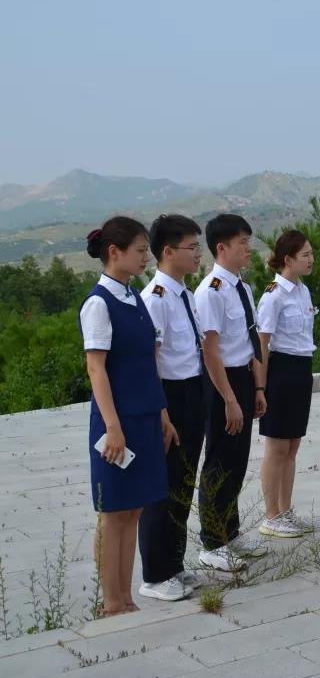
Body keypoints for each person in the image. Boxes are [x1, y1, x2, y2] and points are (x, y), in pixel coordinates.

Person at [79, 217, 176, 616]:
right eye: (139, 251)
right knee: (113, 511)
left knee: (134, 508)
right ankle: (111, 600)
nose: (145, 258)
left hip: (145, 415)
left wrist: (162, 411)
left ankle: (126, 596)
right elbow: (96, 368)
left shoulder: (134, 297)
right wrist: (113, 427)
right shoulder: (99, 303)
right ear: (113, 252)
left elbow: (148, 362)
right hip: (117, 422)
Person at [193, 213, 268, 571]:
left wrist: (257, 387)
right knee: (219, 461)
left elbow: (249, 341)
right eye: (242, 243)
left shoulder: (243, 288)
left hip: (243, 378)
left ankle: (230, 532)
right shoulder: (210, 292)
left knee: (237, 460)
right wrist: (229, 399)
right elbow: (211, 350)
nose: (248, 249)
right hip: (221, 383)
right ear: (222, 248)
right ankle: (212, 542)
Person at [137, 214, 205, 601]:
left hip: (193, 391)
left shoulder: (185, 294)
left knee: (183, 482)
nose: (198, 254)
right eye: (191, 247)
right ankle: (154, 574)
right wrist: (162, 412)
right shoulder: (156, 299)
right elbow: (152, 362)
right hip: (170, 398)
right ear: (167, 251)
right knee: (162, 487)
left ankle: (174, 565)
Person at [256, 230, 317, 538]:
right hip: (280, 371)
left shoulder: (303, 291)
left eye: (311, 254)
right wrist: (260, 387)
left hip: (301, 369)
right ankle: (271, 516)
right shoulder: (273, 295)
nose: (311, 259)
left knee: (292, 445)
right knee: (277, 446)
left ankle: (285, 509)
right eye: (305, 255)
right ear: (288, 259)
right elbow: (262, 344)